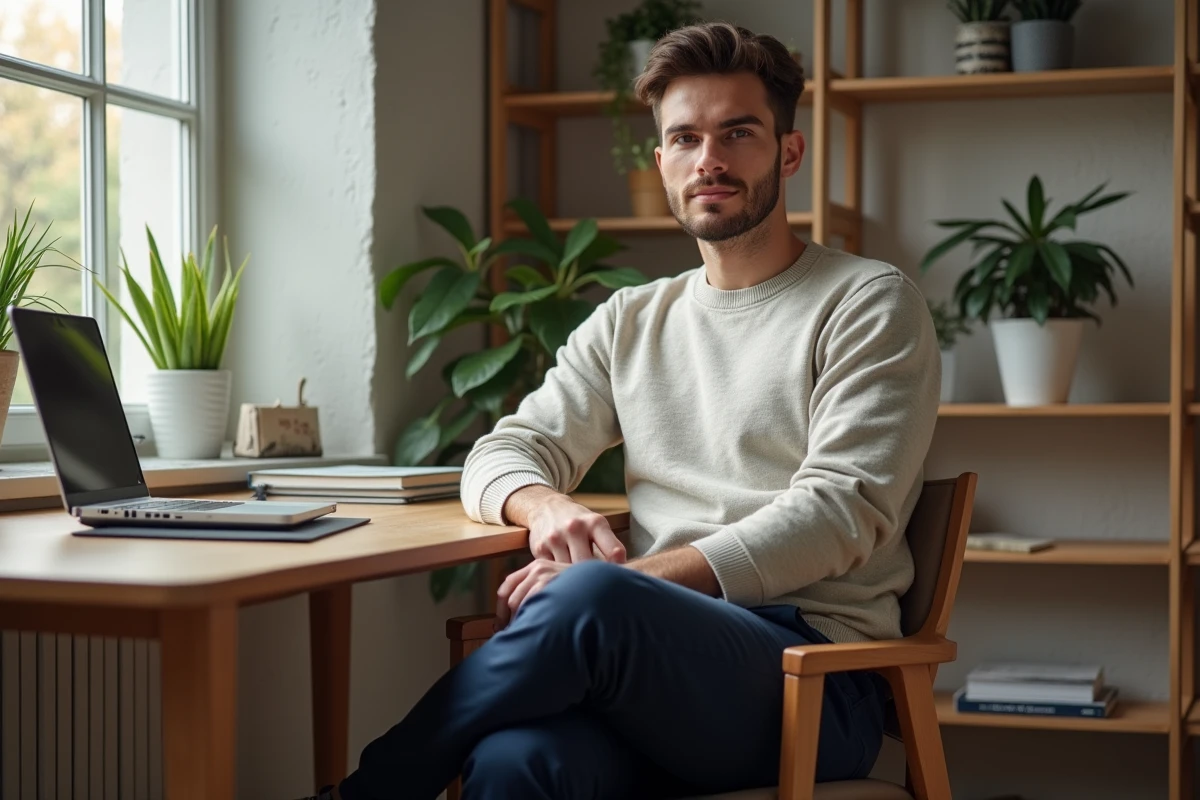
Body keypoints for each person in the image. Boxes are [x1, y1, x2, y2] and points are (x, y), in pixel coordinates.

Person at [299, 20, 940, 800]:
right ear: (661, 160)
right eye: (685, 138)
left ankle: (368, 793)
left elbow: (843, 510)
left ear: (789, 152)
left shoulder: (867, 303)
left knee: (594, 598)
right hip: (646, 677)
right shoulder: (630, 320)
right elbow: (503, 452)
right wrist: (543, 508)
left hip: (810, 678)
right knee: (515, 764)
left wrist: (632, 587)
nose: (710, 159)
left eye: (738, 132)